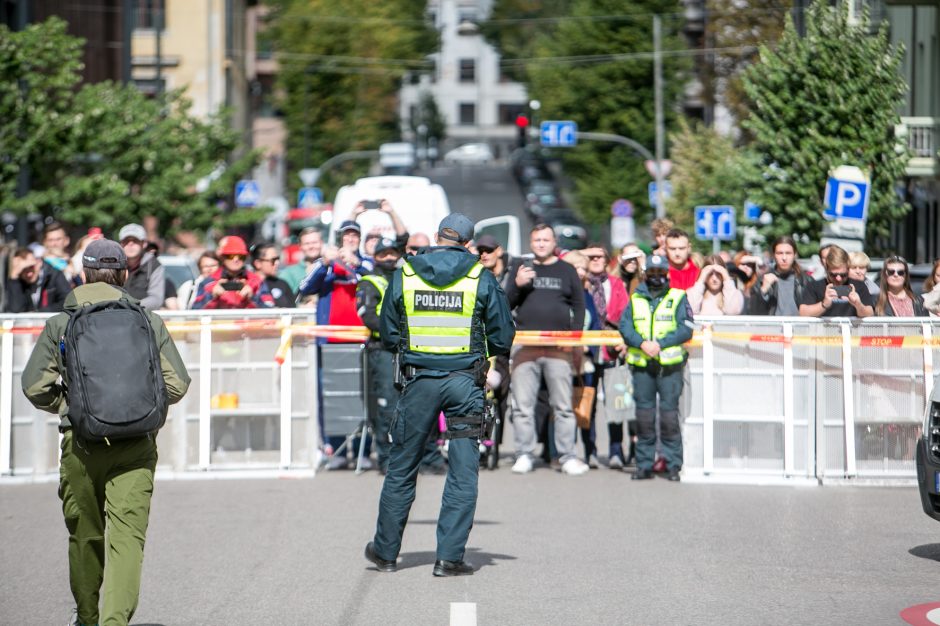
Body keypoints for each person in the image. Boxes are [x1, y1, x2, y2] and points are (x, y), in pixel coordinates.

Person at [21, 238, 190, 626]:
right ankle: (114, 622)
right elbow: (177, 383)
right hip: (136, 446)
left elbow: (34, 386)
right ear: (125, 274)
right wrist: (144, 409)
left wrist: (70, 407)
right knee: (127, 542)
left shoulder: (61, 323)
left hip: (81, 445)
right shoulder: (147, 320)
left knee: (86, 536)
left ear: (84, 273)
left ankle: (87, 617)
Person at [365, 213, 514, 577]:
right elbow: (502, 335)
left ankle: (385, 553)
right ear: (468, 242)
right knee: (463, 471)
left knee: (402, 467)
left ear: (437, 236)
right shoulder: (481, 276)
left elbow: (387, 331)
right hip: (465, 382)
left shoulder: (408, 271)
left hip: (418, 382)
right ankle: (448, 558)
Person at [505, 224, 589, 476]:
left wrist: (573, 340)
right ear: (531, 243)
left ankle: (567, 456)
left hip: (558, 348)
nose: (541, 244)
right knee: (522, 406)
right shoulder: (521, 267)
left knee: (563, 406)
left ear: (554, 243)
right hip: (525, 347)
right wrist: (517, 284)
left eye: (545, 239)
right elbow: (506, 303)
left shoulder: (567, 270)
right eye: (537, 240)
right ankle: (524, 454)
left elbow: (579, 306)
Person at [619, 254, 694, 481]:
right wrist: (642, 344)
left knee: (669, 417)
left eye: (660, 273)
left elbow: (686, 328)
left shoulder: (678, 297)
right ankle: (644, 464)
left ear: (666, 274)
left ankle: (673, 464)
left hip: (669, 367)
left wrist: (659, 344)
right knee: (644, 416)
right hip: (642, 366)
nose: (656, 277)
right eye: (651, 273)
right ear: (645, 274)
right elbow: (625, 326)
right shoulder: (636, 298)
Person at [583, 243, 630, 468]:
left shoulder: (616, 284)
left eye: (600, 256)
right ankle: (589, 451)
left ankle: (616, 451)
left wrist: (622, 340)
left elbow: (625, 313)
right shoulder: (580, 283)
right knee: (587, 404)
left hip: (611, 351)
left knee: (616, 402)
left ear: (606, 260)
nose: (595, 260)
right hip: (587, 352)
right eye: (591, 256)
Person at [191, 236, 274, 309]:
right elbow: (194, 311)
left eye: (241, 256)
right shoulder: (208, 282)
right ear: (222, 257)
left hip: (249, 326)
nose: (236, 260)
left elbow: (271, 310)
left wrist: (253, 297)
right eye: (230, 256)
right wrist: (211, 296)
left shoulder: (256, 281)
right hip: (219, 326)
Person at [799, 245, 874, 318]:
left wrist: (858, 304)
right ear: (827, 269)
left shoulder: (859, 286)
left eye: (843, 275)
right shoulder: (814, 286)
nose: (839, 279)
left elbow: (870, 314)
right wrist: (824, 304)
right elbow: (803, 312)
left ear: (848, 269)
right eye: (833, 275)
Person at [747, 236, 808, 316]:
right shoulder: (762, 280)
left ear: (795, 255)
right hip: (773, 327)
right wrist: (763, 290)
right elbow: (753, 312)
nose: (784, 258)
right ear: (773, 255)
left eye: (788, 253)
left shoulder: (806, 280)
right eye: (780, 253)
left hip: (800, 327)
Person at [3, 247, 72, 313]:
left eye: (31, 267)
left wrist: (38, 313)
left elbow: (69, 303)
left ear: (39, 262)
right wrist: (14, 277)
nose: (29, 274)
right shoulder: (17, 282)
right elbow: (16, 310)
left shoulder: (54, 275)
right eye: (23, 270)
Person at [118, 223, 165, 310]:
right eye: (126, 241)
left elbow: (156, 299)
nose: (130, 244)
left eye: (135, 241)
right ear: (121, 244)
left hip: (143, 318)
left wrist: (129, 306)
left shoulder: (154, 265)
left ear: (144, 244)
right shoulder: (114, 265)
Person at [279, 227, 322, 305]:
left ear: (321, 243)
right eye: (307, 243)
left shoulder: (331, 268)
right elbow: (283, 301)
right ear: (300, 246)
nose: (311, 246)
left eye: (315, 242)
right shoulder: (289, 273)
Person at [251, 243, 295, 307]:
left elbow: (293, 310)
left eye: (278, 259)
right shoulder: (247, 284)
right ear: (258, 263)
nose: (277, 263)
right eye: (273, 260)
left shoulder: (282, 284)